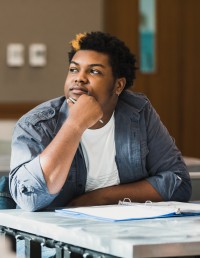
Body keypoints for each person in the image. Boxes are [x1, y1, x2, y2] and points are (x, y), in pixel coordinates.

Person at [9, 31, 192, 212]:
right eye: (73, 69)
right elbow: (29, 198)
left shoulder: (138, 112)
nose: (79, 78)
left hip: (123, 232)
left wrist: (99, 198)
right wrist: (75, 124)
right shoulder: (36, 124)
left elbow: (178, 182)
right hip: (50, 238)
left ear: (118, 85)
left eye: (94, 71)